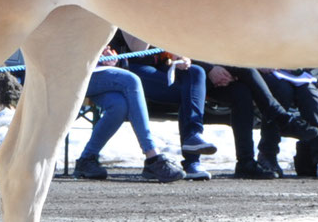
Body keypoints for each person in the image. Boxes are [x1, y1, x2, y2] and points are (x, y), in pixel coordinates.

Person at [69, 50, 186, 182]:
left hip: (94, 72)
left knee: (119, 106)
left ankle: (87, 159)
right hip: (69, 72)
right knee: (131, 80)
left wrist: (111, 57)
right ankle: (152, 156)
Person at [117, 30, 216, 178]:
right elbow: (138, 48)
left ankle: (194, 139)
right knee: (188, 93)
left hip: (159, 64)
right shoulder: (129, 8)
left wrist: (178, 54)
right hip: (131, 66)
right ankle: (191, 160)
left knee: (195, 72)